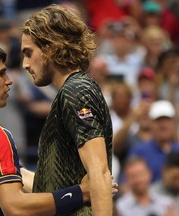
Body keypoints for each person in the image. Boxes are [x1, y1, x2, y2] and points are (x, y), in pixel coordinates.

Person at [0, 39, 117, 216]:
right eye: (0, 74)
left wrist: (79, 185)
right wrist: (81, 192)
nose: (9, 81)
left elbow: (19, 176)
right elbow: (16, 207)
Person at [21, 4, 113, 215]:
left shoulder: (76, 90)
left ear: (51, 48)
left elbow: (99, 172)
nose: (25, 64)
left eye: (29, 52)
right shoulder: (70, 92)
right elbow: (55, 187)